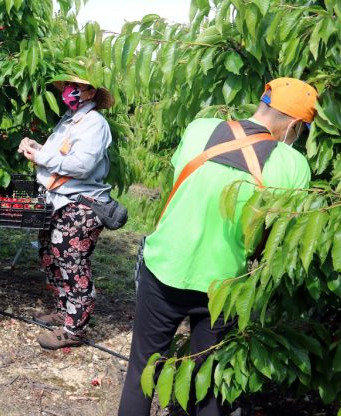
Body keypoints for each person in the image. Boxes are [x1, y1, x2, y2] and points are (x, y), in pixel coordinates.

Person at [117, 78, 318, 415]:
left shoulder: (201, 128)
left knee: (142, 373)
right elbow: (280, 234)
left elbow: (182, 179)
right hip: (223, 286)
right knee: (209, 383)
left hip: (164, 268)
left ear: (262, 102)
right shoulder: (294, 165)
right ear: (296, 125)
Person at [18, 75, 115, 349]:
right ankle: (63, 310)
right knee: (50, 256)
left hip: (81, 205)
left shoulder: (95, 123)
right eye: (68, 86)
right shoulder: (69, 120)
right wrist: (35, 147)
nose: (70, 91)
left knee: (72, 263)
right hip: (58, 201)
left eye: (77, 87)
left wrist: (41, 157)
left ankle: (75, 328)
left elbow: (81, 165)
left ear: (90, 92)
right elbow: (57, 154)